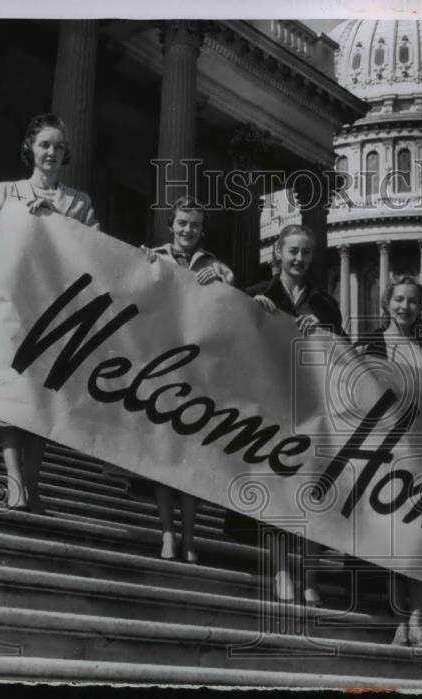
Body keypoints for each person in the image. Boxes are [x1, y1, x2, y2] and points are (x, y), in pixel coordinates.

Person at [0, 113, 98, 513]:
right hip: (8, 305)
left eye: (59, 147)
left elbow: (95, 252)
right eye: (45, 145)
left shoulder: (79, 203)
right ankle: (15, 480)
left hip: (55, 311)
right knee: (8, 392)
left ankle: (32, 483)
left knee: (40, 398)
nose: (52, 152)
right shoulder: (2, 192)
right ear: (30, 148)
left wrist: (56, 221)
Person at [235, 223, 344, 606]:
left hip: (312, 409)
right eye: (293, 251)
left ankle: (310, 576)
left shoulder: (326, 305)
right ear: (278, 252)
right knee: (278, 492)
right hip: (270, 408)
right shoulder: (257, 294)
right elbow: (230, 340)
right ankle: (282, 570)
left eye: (306, 252)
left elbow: (344, 358)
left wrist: (326, 333)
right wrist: (251, 312)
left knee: (312, 493)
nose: (299, 258)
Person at [136, 196, 234, 562]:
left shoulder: (214, 266)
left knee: (191, 458)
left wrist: (225, 281)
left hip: (198, 371)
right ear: (171, 225)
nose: (187, 230)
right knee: (164, 457)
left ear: (202, 230)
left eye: (194, 225)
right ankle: (167, 533)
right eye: (181, 223)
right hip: (161, 368)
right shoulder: (154, 257)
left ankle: (190, 537)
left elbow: (230, 313)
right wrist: (141, 268)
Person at [354, 275, 422, 648]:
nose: (405, 306)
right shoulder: (371, 343)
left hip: (420, 451)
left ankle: (417, 620)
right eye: (399, 299)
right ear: (387, 303)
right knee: (392, 539)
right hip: (384, 450)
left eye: (413, 301)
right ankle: (400, 620)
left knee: (420, 537)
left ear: (420, 308)